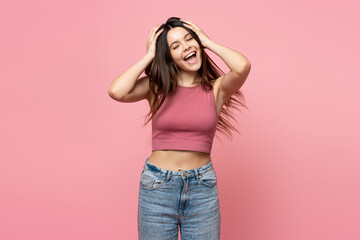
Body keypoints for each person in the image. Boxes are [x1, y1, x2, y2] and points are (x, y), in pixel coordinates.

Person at [108, 17, 251, 240]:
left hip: (202, 187)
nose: (185, 47)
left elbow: (242, 66)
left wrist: (207, 41)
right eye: (175, 46)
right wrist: (148, 56)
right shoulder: (156, 87)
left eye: (189, 40)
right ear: (169, 56)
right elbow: (117, 91)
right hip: (157, 186)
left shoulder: (216, 89)